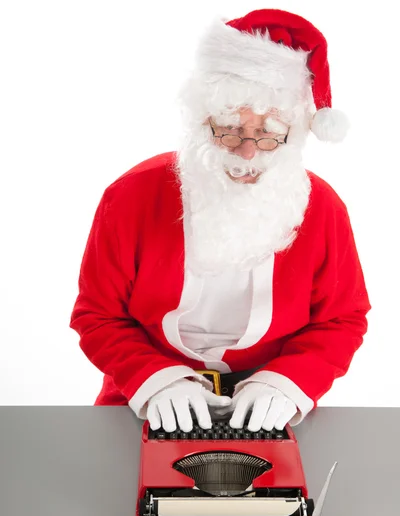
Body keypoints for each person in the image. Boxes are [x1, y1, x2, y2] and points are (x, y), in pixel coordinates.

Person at [69, 9, 371, 434]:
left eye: (269, 133)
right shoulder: (130, 196)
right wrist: (155, 380)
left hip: (274, 409)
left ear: (294, 134)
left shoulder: (322, 208)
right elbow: (97, 314)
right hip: (143, 402)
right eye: (229, 129)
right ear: (201, 122)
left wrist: (288, 383)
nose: (247, 152)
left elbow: (343, 318)